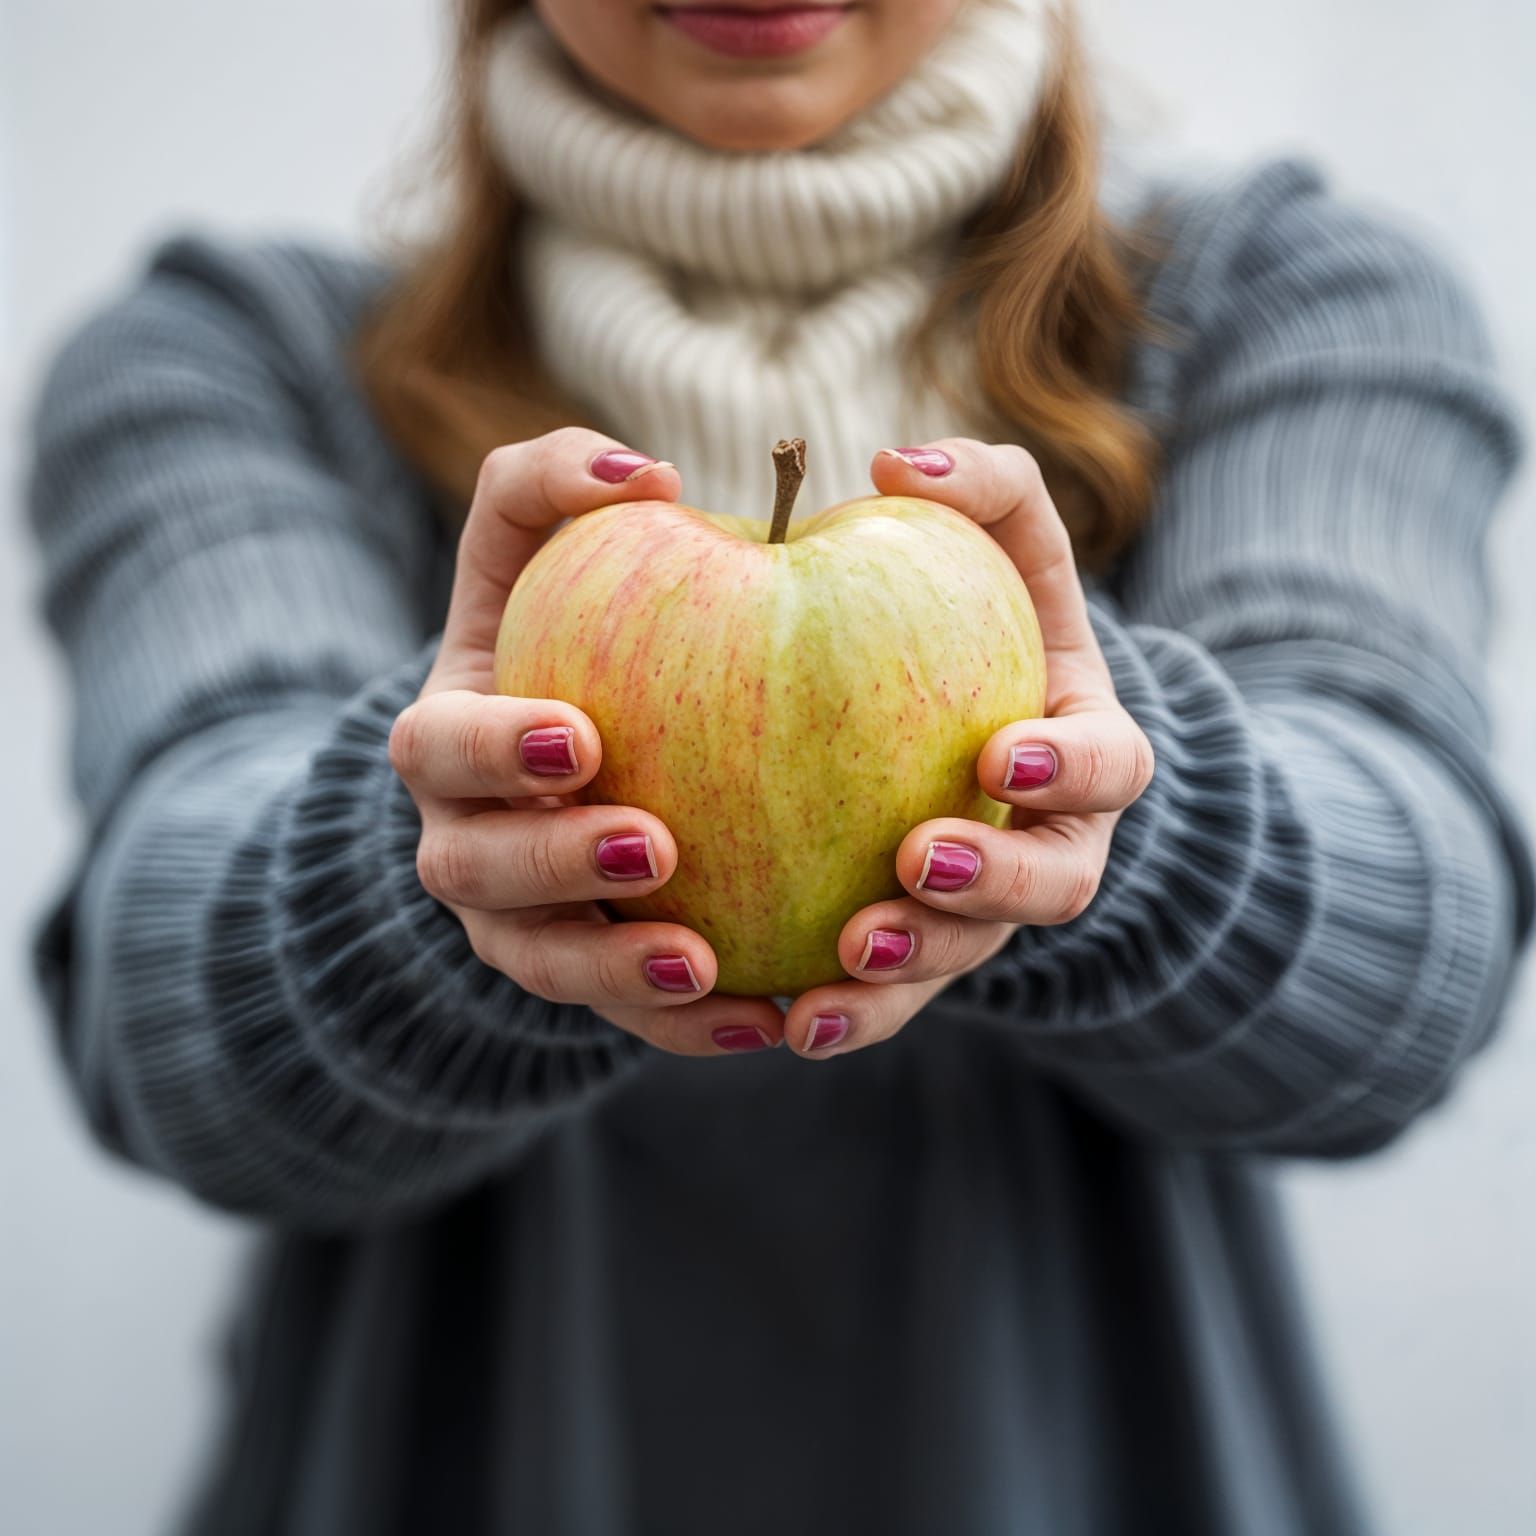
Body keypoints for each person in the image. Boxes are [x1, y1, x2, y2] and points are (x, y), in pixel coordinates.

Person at [25, 0, 1531, 1530]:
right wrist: (446, 856)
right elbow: (165, 1029)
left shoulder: (1289, 298)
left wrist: (1079, 796)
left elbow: (1419, 965)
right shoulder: (236, 361)